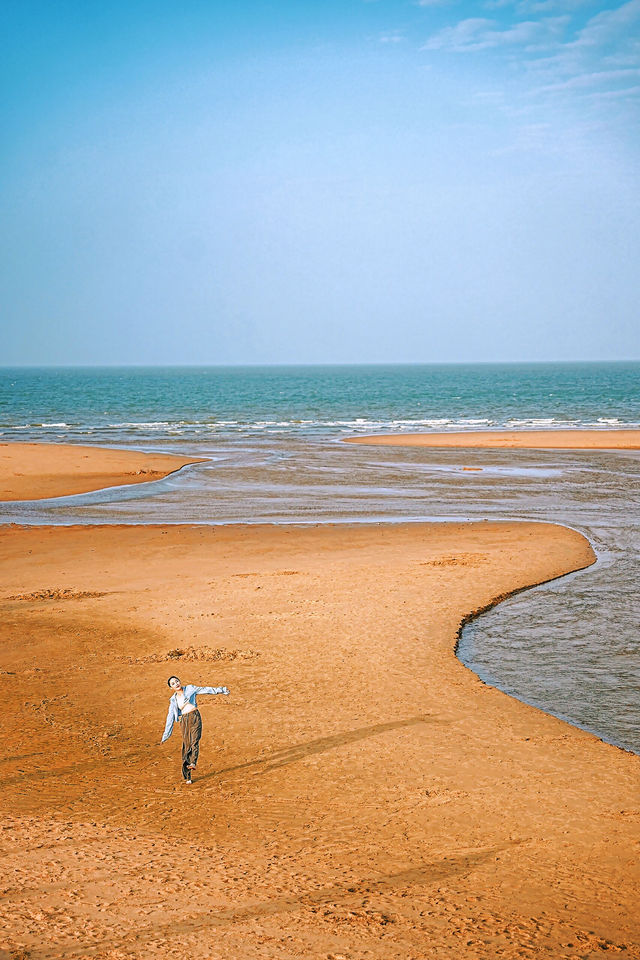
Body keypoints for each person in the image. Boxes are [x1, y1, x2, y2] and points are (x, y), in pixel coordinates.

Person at [161, 676, 229, 783]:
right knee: (186, 745)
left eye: (177, 681)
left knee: (195, 740)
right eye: (173, 683)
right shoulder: (173, 700)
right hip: (184, 720)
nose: (176, 684)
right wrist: (166, 734)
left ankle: (193, 762)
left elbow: (205, 689)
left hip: (195, 716)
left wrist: (221, 690)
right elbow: (170, 717)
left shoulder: (190, 689)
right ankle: (187, 776)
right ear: (171, 687)